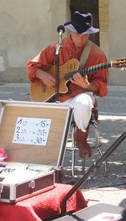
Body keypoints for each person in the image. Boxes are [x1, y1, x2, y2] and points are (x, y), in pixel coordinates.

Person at [27, 11, 109, 159]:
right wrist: (42, 75)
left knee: (83, 103)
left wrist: (87, 85)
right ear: (70, 32)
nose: (81, 38)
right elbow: (32, 66)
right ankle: (44, 153)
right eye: (78, 33)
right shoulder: (56, 48)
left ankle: (81, 139)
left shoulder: (97, 54)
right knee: (37, 115)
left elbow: (101, 86)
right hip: (56, 96)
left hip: (81, 94)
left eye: (85, 34)